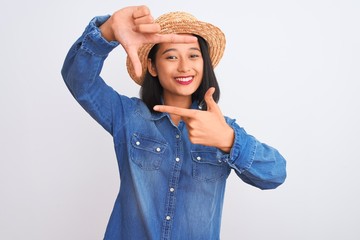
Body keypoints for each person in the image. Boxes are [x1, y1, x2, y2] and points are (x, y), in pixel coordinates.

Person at [61, 5, 287, 240]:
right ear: (152, 66)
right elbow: (80, 82)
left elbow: (275, 174)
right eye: (171, 56)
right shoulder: (127, 115)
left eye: (193, 55)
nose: (184, 66)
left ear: (203, 64)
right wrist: (106, 32)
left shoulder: (221, 128)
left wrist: (229, 141)